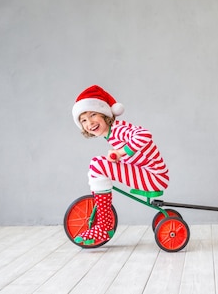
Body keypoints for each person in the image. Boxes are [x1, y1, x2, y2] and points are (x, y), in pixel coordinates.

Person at [71, 85, 170, 245]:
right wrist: (118, 157)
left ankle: (103, 226)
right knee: (98, 165)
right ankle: (103, 217)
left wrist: (120, 153)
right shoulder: (112, 134)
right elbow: (137, 155)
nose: (89, 122)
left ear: (105, 114)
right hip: (149, 172)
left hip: (154, 176)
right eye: (83, 120)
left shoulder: (119, 129)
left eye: (93, 114)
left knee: (98, 164)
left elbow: (145, 135)